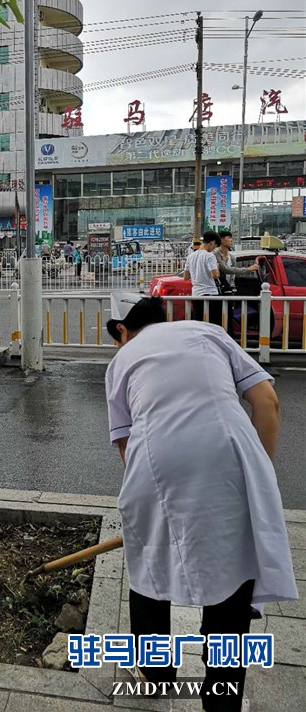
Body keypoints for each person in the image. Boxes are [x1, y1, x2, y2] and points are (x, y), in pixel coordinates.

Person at [105, 294, 297, 712]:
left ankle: (154, 676)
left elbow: (125, 442)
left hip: (157, 461)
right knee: (230, 577)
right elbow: (268, 402)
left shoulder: (121, 360)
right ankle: (222, 696)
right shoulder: (209, 332)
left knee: (149, 567)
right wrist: (255, 473)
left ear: (122, 330)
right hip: (232, 455)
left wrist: (154, 509)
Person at [184, 231, 222, 325]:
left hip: (196, 294)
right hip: (210, 293)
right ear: (212, 243)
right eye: (214, 246)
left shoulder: (190, 256)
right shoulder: (209, 256)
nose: (214, 249)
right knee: (212, 323)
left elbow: (186, 277)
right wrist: (217, 266)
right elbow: (215, 275)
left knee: (198, 322)